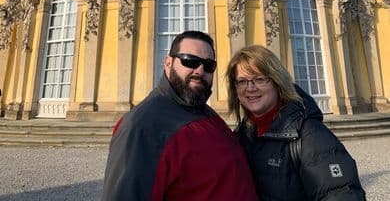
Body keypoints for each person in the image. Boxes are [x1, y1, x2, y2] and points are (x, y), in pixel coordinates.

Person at [102, 31, 258, 201]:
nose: (199, 70)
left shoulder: (201, 109)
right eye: (189, 61)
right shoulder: (142, 126)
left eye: (208, 65)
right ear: (168, 63)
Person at [226, 45, 366, 200]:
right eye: (242, 81)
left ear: (277, 82)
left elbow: (342, 193)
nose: (250, 88)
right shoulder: (242, 136)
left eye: (259, 79)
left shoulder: (309, 135)